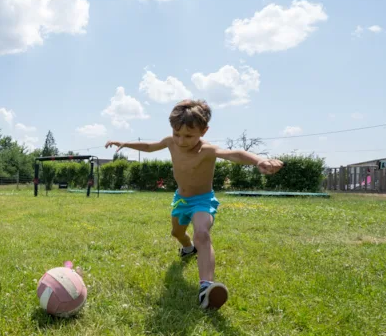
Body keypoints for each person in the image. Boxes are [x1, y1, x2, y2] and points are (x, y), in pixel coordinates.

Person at [105, 99, 283, 310]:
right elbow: (149, 146)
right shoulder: (171, 142)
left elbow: (234, 154)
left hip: (202, 200)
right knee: (177, 233)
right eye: (176, 133)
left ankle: (205, 288)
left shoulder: (206, 150)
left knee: (202, 233)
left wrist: (258, 161)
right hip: (181, 199)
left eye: (188, 136)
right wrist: (125, 143)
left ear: (204, 131)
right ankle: (188, 249)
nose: (181, 140)